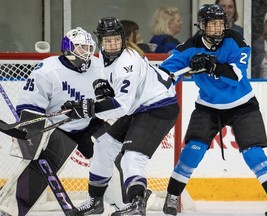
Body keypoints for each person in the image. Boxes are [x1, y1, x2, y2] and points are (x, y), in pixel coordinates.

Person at [158, 4, 267, 216]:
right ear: (202, 26)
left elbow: (237, 76)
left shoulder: (236, 41)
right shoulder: (189, 47)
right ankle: (172, 197)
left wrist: (211, 64)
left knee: (253, 152)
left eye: (221, 25)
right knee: (192, 151)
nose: (218, 29)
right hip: (208, 107)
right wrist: (170, 76)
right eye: (213, 25)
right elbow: (165, 73)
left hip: (243, 105)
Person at [60, 16, 179, 216]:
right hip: (139, 107)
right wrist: (95, 94)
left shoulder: (127, 63)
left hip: (159, 108)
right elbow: (112, 91)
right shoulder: (104, 55)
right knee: (103, 145)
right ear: (101, 41)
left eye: (116, 39)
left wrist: (87, 108)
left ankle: (137, 203)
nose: (112, 44)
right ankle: (95, 201)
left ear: (122, 39)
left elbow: (121, 107)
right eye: (107, 40)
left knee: (131, 157)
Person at [0, 27, 116, 216]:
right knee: (37, 169)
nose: (86, 52)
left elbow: (113, 97)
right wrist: (32, 131)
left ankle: (124, 203)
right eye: (80, 48)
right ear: (68, 48)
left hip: (89, 123)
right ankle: (9, 209)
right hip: (57, 127)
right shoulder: (48, 70)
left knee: (113, 155)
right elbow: (30, 105)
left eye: (88, 47)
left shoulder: (99, 66)